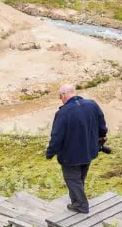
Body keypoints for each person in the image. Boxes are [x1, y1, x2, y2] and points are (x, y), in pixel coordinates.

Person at [46, 84, 108, 214]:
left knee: (72, 179)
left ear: (64, 95)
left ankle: (81, 205)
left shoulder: (63, 113)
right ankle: (75, 202)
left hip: (71, 155)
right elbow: (102, 124)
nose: (60, 99)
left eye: (60, 96)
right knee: (80, 178)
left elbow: (57, 136)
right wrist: (102, 136)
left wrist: (50, 152)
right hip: (89, 150)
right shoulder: (92, 105)